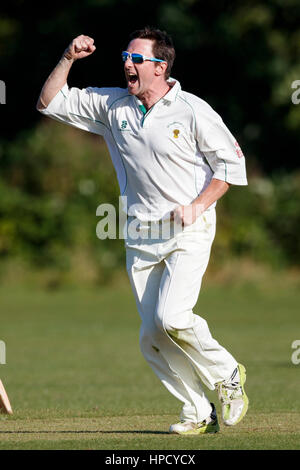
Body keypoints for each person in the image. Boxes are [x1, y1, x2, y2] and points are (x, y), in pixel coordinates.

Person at [37, 26, 249, 435]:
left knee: (172, 316)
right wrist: (67, 57)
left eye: (136, 58)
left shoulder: (192, 110)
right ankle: (198, 412)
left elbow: (229, 168)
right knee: (151, 336)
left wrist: (197, 206)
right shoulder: (114, 106)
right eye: (124, 56)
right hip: (140, 235)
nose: (126, 64)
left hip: (190, 229)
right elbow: (49, 102)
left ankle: (227, 373)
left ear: (161, 66)